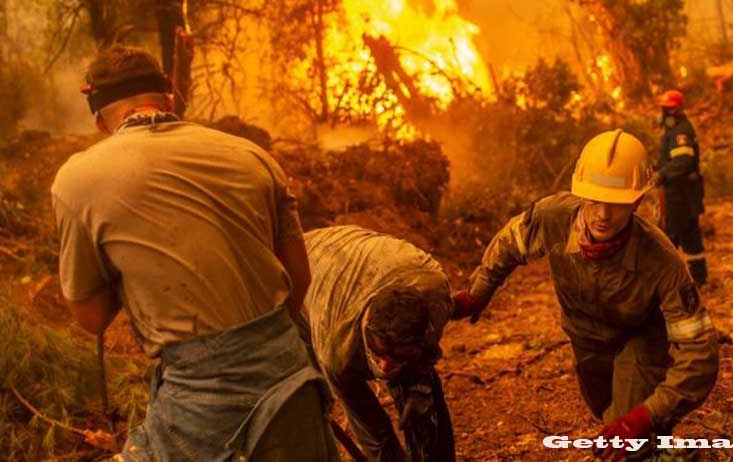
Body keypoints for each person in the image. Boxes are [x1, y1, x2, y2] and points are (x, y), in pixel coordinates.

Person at [51, 45, 339, 461]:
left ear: (98, 119)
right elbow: (299, 280)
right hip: (290, 382)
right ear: (170, 97)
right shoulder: (253, 157)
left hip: (197, 404)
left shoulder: (77, 180)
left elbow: (92, 317)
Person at [452, 130, 719, 459]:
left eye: (616, 204)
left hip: (640, 339)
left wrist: (644, 417)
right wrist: (477, 294)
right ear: (580, 194)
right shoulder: (552, 218)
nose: (603, 215)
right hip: (586, 338)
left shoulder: (661, 261)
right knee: (605, 411)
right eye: (594, 201)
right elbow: (510, 243)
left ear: (636, 201)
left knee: (630, 434)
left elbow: (700, 356)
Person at [300, 225, 456, 462]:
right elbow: (371, 429)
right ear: (367, 323)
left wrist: (420, 386)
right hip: (302, 267)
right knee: (311, 396)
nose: (383, 366)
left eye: (398, 356)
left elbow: (426, 354)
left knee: (424, 405)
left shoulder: (436, 299)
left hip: (379, 261)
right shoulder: (336, 350)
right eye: (380, 352)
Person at [654, 89, 708, 286]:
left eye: (665, 109)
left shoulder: (680, 132)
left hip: (680, 194)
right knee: (689, 234)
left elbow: (683, 161)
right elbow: (672, 160)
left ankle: (664, 281)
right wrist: (656, 168)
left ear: (675, 110)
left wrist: (662, 174)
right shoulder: (674, 130)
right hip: (684, 192)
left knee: (670, 235)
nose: (662, 113)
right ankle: (699, 277)